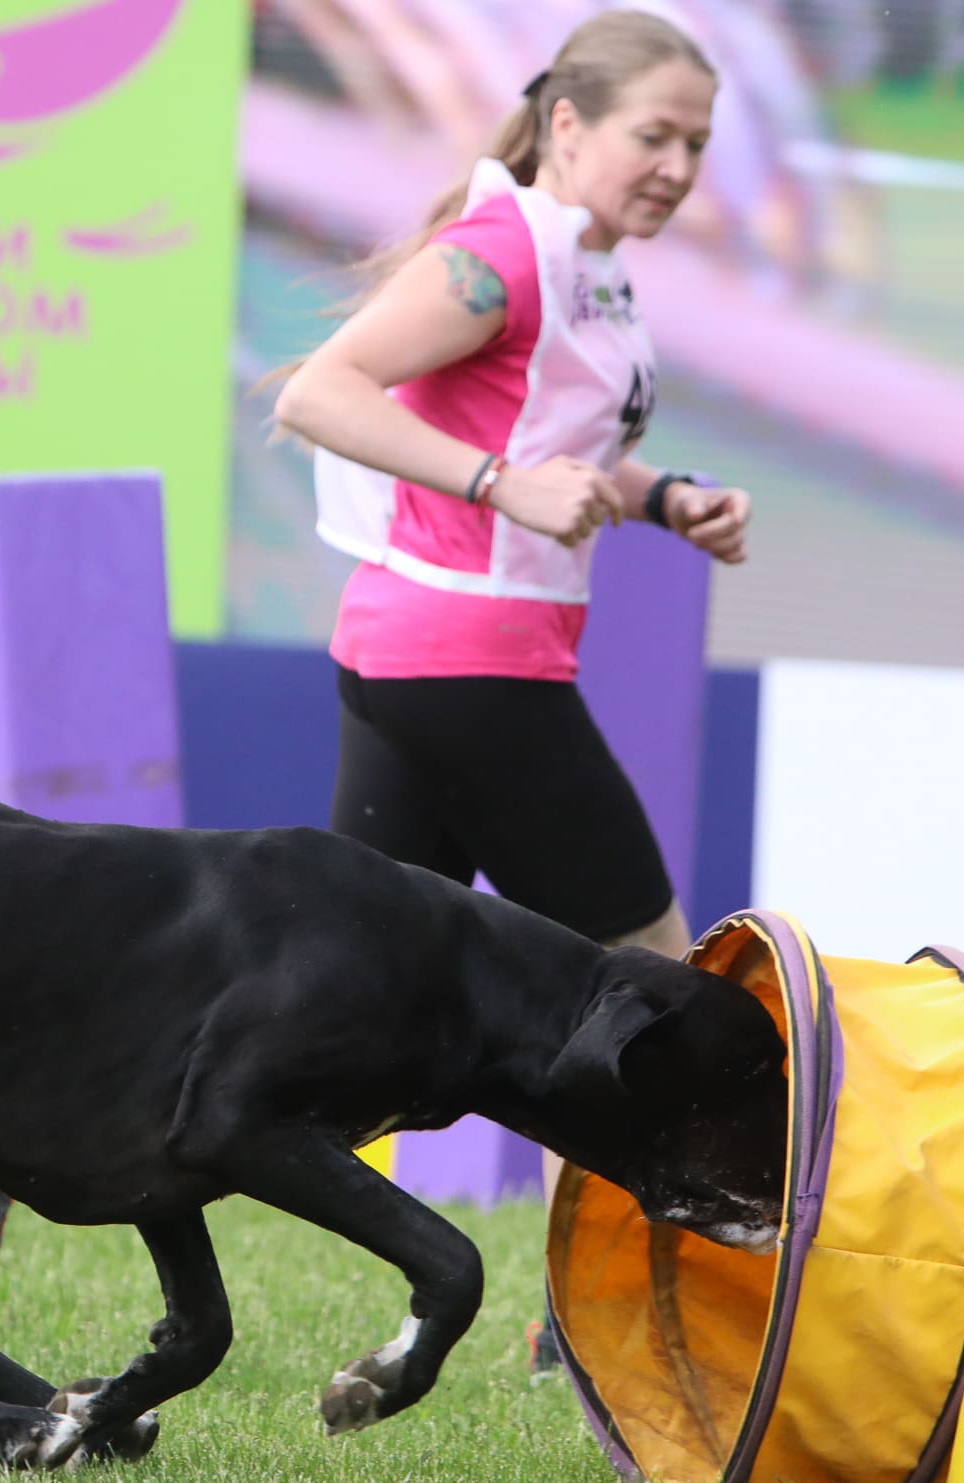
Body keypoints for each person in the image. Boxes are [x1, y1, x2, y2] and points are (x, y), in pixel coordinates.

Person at [271, 7, 752, 1375]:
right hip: (467, 666)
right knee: (646, 986)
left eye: (698, 144)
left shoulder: (587, 265)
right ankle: (590, 1332)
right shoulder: (501, 254)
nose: (678, 167)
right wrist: (498, 485)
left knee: (342, 1020)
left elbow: (554, 447)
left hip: (427, 662)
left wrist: (664, 497)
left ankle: (27, 1124)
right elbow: (320, 393)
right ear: (569, 125)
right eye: (655, 136)